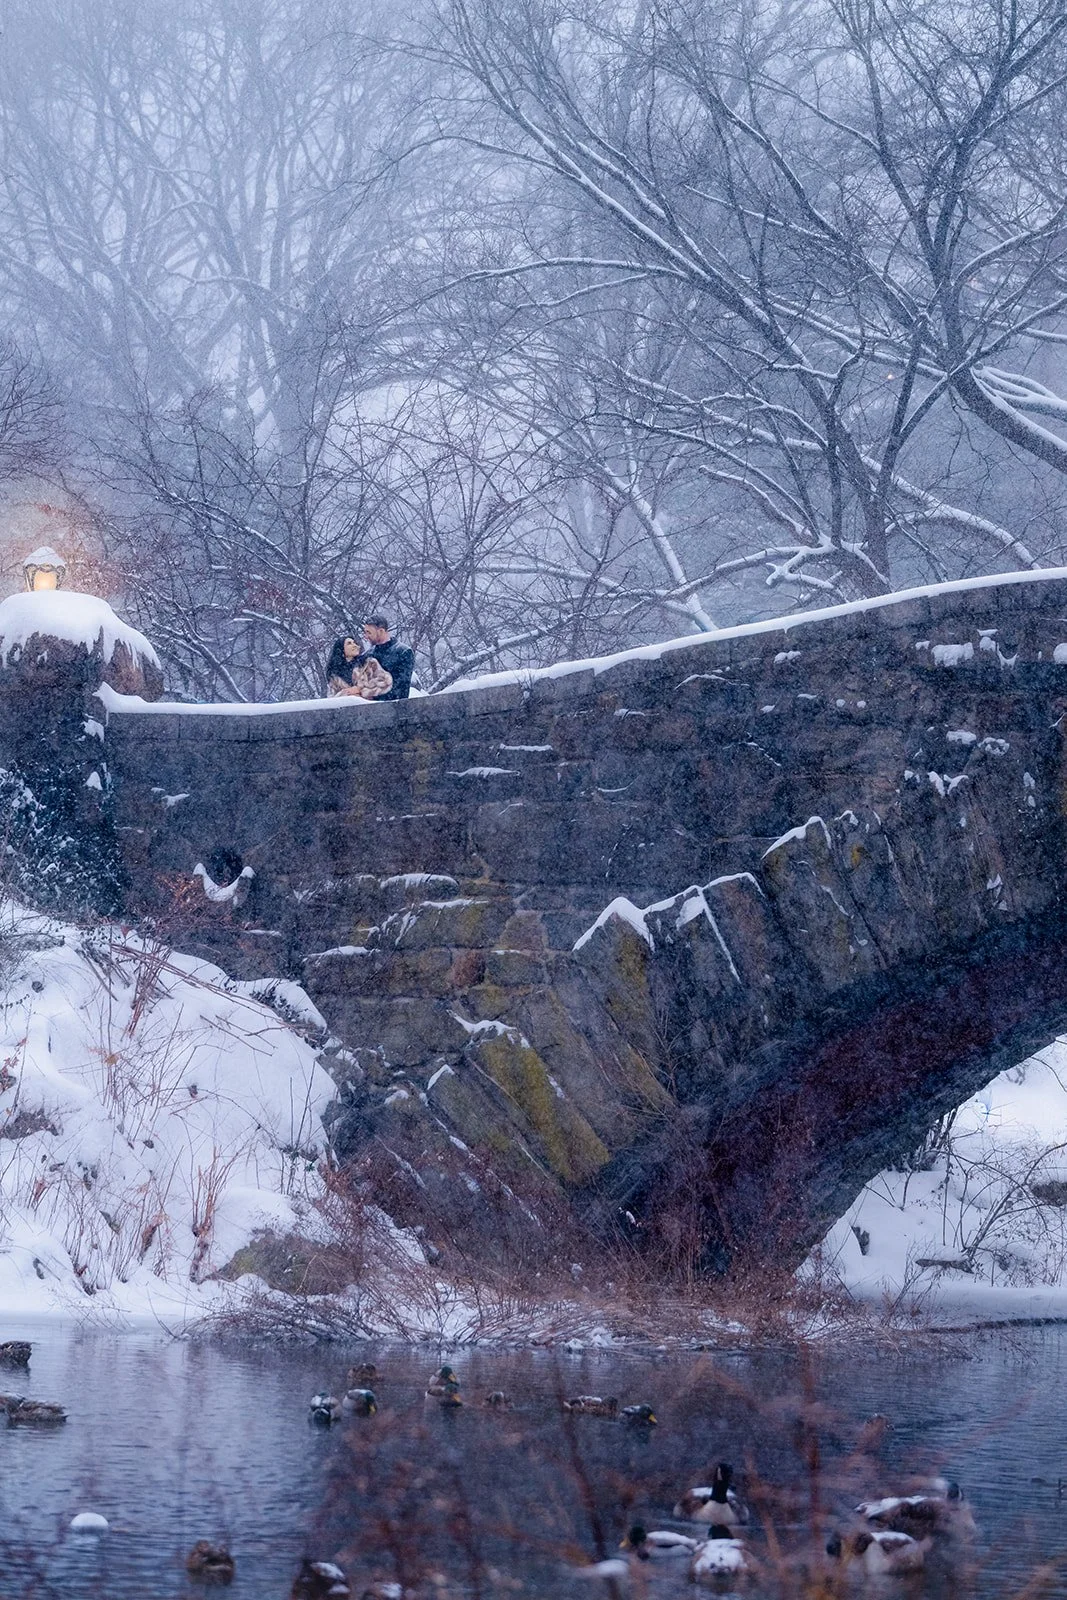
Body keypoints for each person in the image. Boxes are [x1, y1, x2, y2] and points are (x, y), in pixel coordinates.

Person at [361, 614, 415, 700]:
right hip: (369, 708)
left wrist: (373, 695)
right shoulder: (367, 655)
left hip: (395, 707)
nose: (366, 636)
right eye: (365, 632)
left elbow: (400, 686)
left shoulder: (403, 652)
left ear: (381, 631)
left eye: (369, 632)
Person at [324, 635, 392, 700]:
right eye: (349, 643)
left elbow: (386, 682)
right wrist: (346, 693)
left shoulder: (368, 663)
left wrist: (360, 690)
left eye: (354, 643)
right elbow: (332, 698)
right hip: (348, 710)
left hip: (372, 707)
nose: (355, 645)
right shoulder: (334, 674)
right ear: (341, 649)